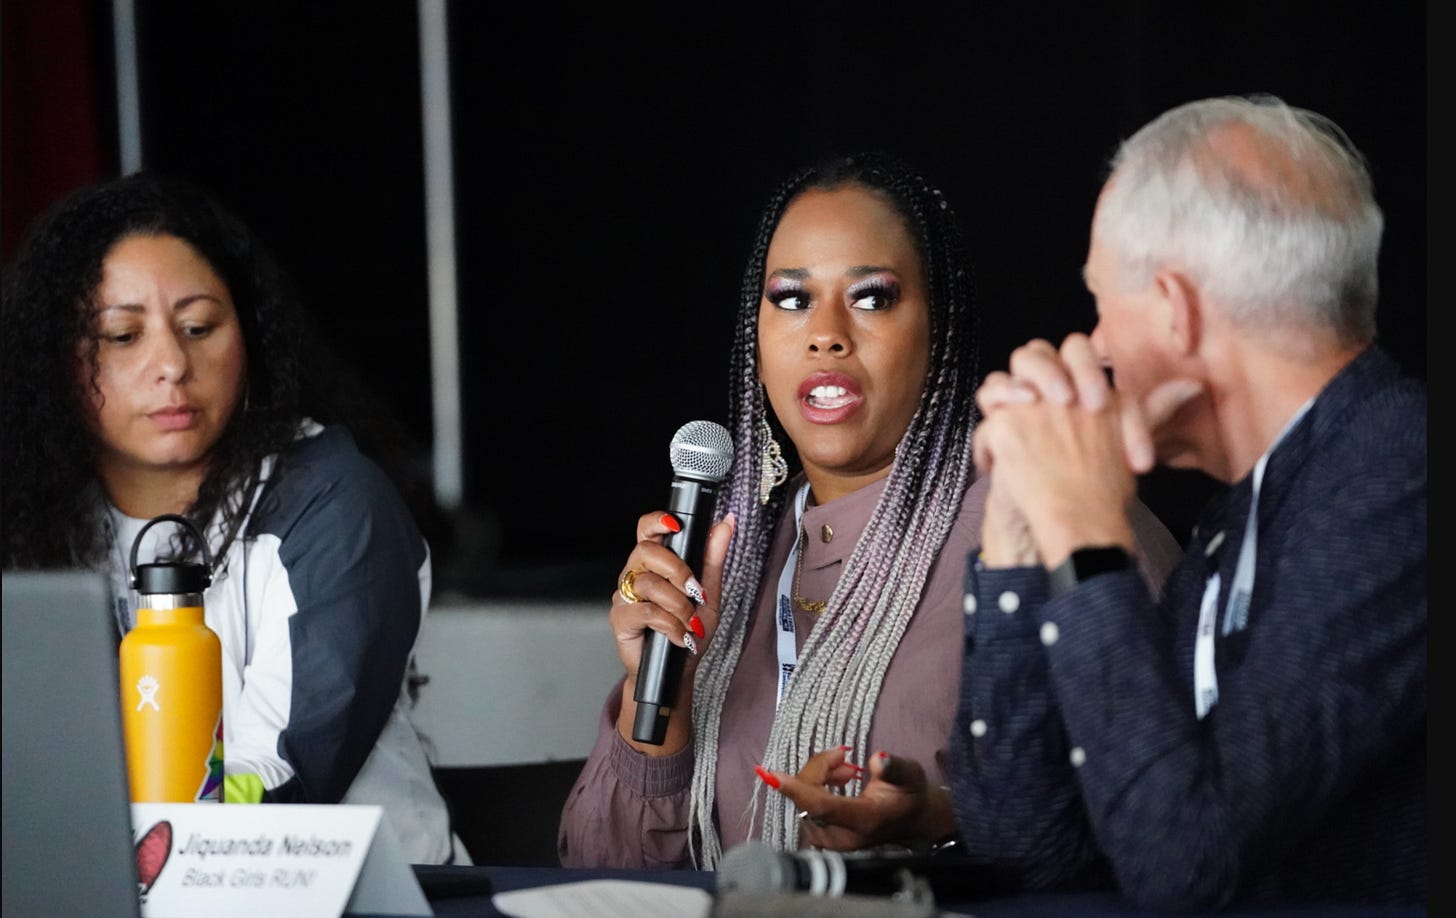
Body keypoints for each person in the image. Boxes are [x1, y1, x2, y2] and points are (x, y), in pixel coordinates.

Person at [765, 95, 1425, 910]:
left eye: (1103, 302)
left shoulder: (1398, 476)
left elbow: (1184, 867)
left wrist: (1085, 533)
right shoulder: (1248, 510)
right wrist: (1016, 539)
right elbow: (1030, 847)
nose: (1097, 345)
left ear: (1176, 311)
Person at [557, 151, 1184, 869]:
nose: (825, 333)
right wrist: (661, 691)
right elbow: (596, 874)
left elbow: (1162, 830)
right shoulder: (729, 557)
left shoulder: (1051, 520)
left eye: (872, 298)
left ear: (939, 328)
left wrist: (942, 823)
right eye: (791, 299)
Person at [0, 173, 468, 865]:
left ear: (249, 339)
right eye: (122, 335)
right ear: (54, 365)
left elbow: (277, 781)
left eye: (198, 328)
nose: (171, 364)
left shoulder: (333, 502)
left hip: (363, 896)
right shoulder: (31, 521)